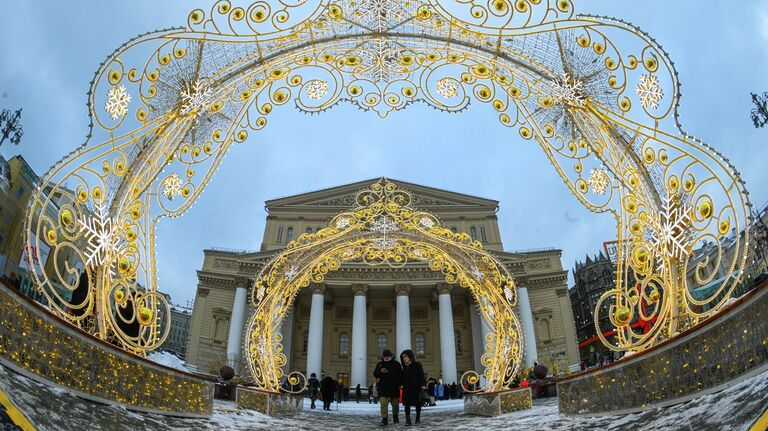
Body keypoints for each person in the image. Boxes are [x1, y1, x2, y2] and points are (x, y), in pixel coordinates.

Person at [373, 349, 403, 426]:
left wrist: (398, 383)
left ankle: (395, 417)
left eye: (387, 356)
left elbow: (401, 375)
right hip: (383, 388)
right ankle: (384, 419)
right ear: (383, 357)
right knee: (383, 404)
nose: (386, 357)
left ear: (391, 356)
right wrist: (380, 371)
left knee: (395, 405)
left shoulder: (396, 364)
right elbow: (375, 374)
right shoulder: (380, 364)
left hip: (394, 388)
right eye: (385, 356)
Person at [400, 350, 426, 426]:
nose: (404, 358)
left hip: (416, 388)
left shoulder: (417, 365)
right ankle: (408, 420)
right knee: (406, 404)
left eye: (405, 356)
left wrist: (423, 384)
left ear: (410, 357)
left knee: (418, 403)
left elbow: (421, 375)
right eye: (403, 357)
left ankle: (417, 418)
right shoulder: (404, 367)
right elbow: (402, 378)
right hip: (407, 388)